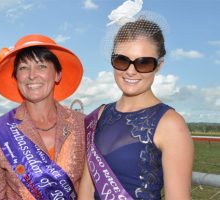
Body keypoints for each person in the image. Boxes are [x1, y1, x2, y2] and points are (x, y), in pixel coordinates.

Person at [78, 18, 194, 199]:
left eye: (143, 63)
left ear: (159, 66)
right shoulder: (99, 115)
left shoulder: (171, 124)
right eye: (121, 60)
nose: (131, 71)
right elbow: (86, 187)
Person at [0, 34, 85, 199]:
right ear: (16, 77)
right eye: (23, 68)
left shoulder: (83, 124)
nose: (32, 75)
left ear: (57, 75)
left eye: (41, 66)